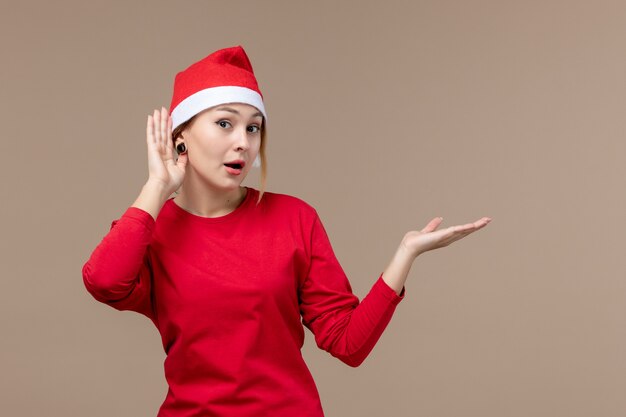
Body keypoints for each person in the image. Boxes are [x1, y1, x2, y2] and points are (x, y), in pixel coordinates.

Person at [82, 45, 492, 417]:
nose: (243, 142)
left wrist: (405, 253)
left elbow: (348, 344)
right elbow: (104, 281)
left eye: (253, 127)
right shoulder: (152, 230)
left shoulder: (294, 218)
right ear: (181, 136)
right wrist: (156, 188)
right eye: (225, 124)